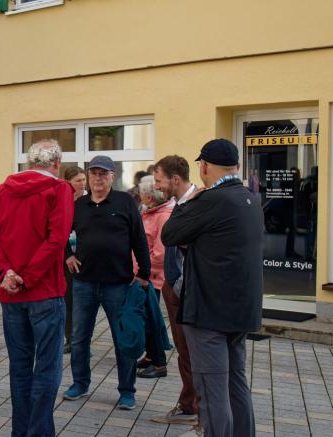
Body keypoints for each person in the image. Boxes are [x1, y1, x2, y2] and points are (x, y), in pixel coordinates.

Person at [162, 139, 263, 437]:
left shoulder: (210, 200)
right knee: (236, 386)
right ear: (237, 167)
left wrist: (189, 201)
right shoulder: (250, 198)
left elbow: (170, 234)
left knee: (212, 392)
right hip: (241, 311)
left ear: (204, 166)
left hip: (209, 314)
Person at [0, 139, 73, 437]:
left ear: (29, 162)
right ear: (56, 163)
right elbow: (57, 240)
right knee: (47, 368)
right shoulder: (60, 190)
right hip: (44, 291)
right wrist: (27, 277)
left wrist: (5, 272)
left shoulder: (0, 191)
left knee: (20, 368)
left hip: (10, 293)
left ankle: (22, 431)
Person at [62, 155, 150, 411]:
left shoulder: (124, 202)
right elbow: (61, 234)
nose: (98, 178)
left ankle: (127, 391)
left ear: (113, 176)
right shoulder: (79, 205)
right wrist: (68, 254)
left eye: (103, 174)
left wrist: (143, 273)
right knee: (79, 338)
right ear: (88, 178)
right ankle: (80, 383)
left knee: (122, 339)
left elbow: (139, 240)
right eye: (94, 174)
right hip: (84, 283)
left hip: (118, 284)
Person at [149, 155, 200, 426]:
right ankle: (188, 403)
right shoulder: (178, 204)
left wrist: (178, 285)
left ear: (175, 179)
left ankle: (194, 408)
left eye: (160, 181)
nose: (158, 187)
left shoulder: (197, 205)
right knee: (183, 350)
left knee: (191, 352)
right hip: (174, 289)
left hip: (187, 291)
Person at [135, 175, 172, 379]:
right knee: (146, 318)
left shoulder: (163, 216)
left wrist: (141, 272)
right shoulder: (149, 213)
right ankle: (150, 355)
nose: (140, 195)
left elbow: (160, 253)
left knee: (151, 320)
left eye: (142, 192)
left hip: (151, 278)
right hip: (144, 276)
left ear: (149, 196)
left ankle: (159, 363)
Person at [58, 165, 86, 354]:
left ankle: (82, 339)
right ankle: (70, 338)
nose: (83, 184)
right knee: (68, 301)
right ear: (69, 182)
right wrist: (67, 254)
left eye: (84, 180)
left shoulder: (88, 201)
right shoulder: (63, 202)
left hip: (85, 257)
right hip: (66, 258)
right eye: (78, 181)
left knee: (84, 302)